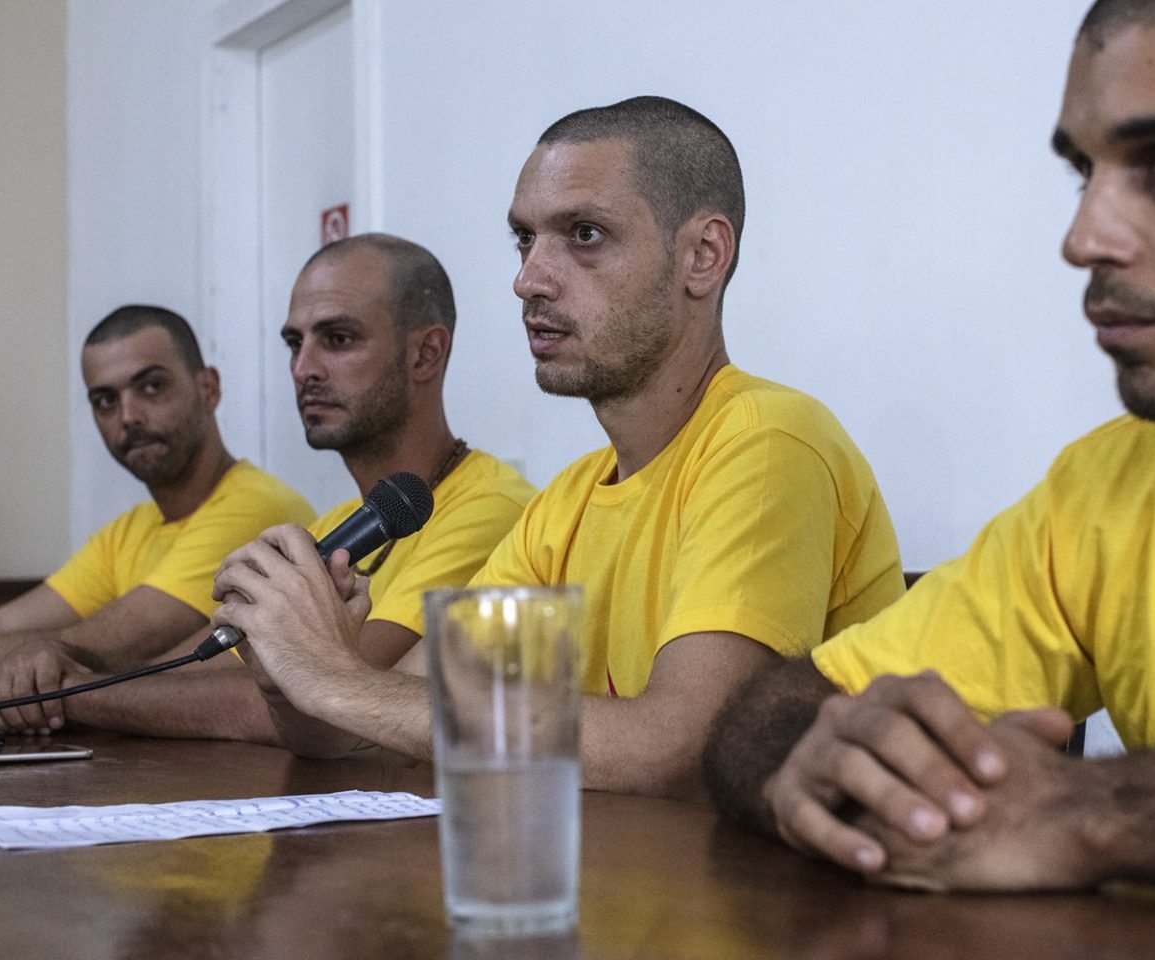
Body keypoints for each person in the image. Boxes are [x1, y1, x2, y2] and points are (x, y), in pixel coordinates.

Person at [703, 0, 1155, 907]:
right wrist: (818, 764)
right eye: (1085, 170)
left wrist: (1088, 812)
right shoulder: (1108, 489)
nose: (1084, 237)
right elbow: (765, 716)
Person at [212, 97, 905, 798]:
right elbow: (356, 729)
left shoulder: (768, 441)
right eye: (524, 239)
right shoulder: (567, 501)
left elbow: (683, 744)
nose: (528, 280)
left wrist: (336, 680)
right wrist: (289, 655)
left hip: (771, 902)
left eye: (584, 234)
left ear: (703, 255)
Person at [3, 234, 536, 743]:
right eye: (293, 343)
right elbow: (194, 674)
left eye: (338, 339)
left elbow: (327, 701)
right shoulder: (334, 524)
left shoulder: (490, 506)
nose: (303, 369)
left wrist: (60, 694)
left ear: (425, 354)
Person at [0, 306, 314, 732]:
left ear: (209, 389)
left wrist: (36, 661)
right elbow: (13, 628)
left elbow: (92, 649)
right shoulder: (129, 530)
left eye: (151, 386)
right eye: (105, 400)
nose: (127, 416)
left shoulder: (257, 506)